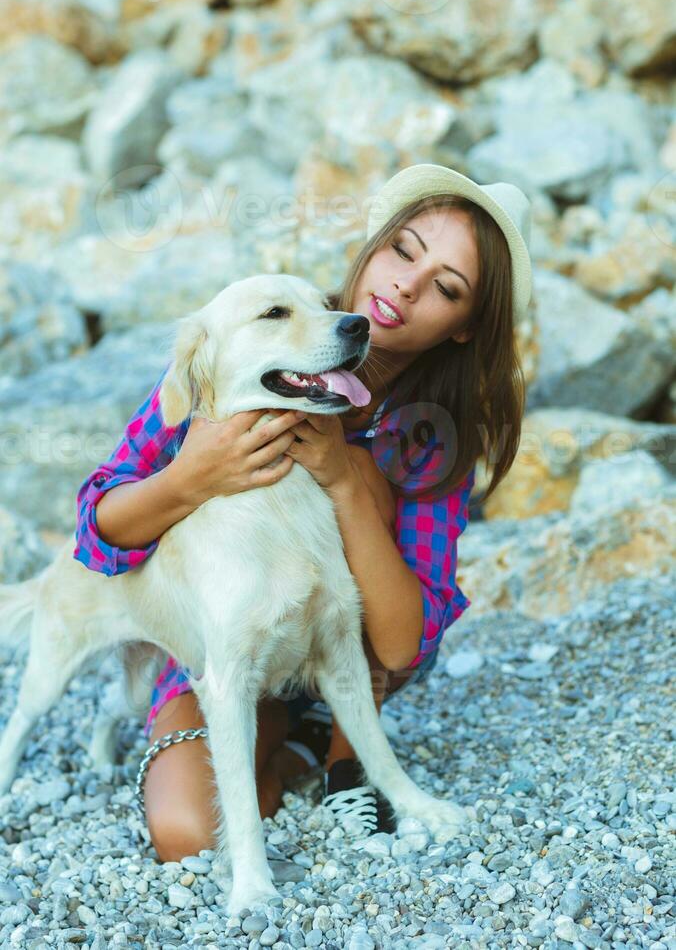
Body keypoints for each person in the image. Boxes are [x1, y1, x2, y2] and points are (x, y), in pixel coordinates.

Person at [73, 163, 533, 857]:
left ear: (465, 327)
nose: (406, 284)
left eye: (445, 288)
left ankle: (338, 739)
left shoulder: (433, 436)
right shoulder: (263, 322)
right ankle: (294, 749)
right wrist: (190, 479)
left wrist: (345, 478)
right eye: (403, 251)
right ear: (374, 245)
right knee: (187, 833)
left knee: (372, 491)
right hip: (224, 638)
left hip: (350, 654)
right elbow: (95, 532)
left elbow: (405, 641)